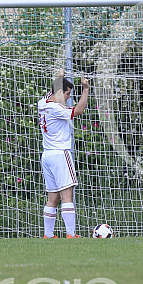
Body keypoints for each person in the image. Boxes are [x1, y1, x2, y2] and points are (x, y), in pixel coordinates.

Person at [38, 72, 89, 239]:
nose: (68, 98)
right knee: (67, 196)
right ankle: (71, 234)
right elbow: (79, 110)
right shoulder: (57, 109)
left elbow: (52, 91)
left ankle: (48, 235)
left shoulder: (43, 103)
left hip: (47, 156)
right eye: (67, 94)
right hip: (60, 154)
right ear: (60, 92)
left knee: (53, 197)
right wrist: (86, 89)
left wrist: (59, 78)